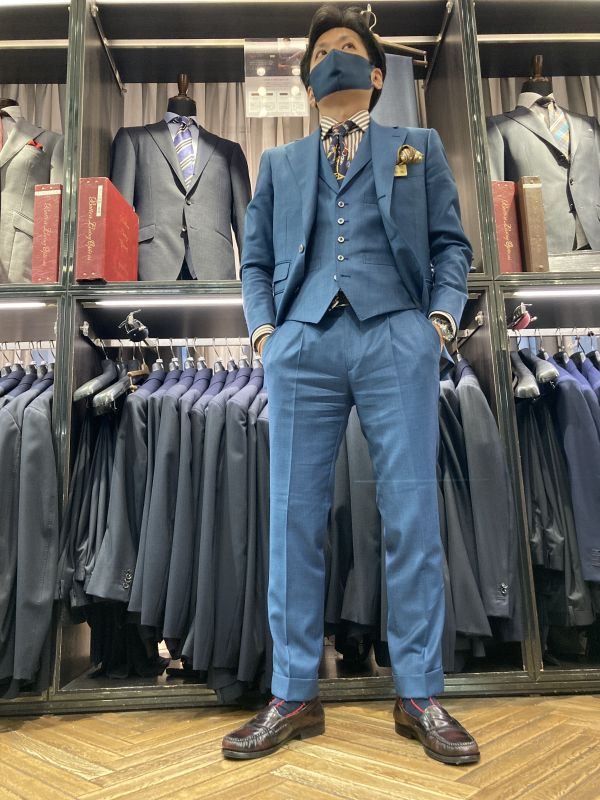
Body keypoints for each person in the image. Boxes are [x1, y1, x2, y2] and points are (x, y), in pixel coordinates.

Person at [222, 4, 479, 766]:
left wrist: (437, 323)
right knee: (293, 517)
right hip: (302, 340)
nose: (332, 57)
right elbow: (255, 259)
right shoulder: (280, 163)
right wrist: (266, 334)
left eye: (347, 47)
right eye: (321, 52)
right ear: (307, 80)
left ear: (375, 73)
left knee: (412, 515)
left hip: (396, 333)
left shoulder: (419, 146)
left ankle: (419, 692)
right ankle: (294, 691)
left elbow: (451, 245)